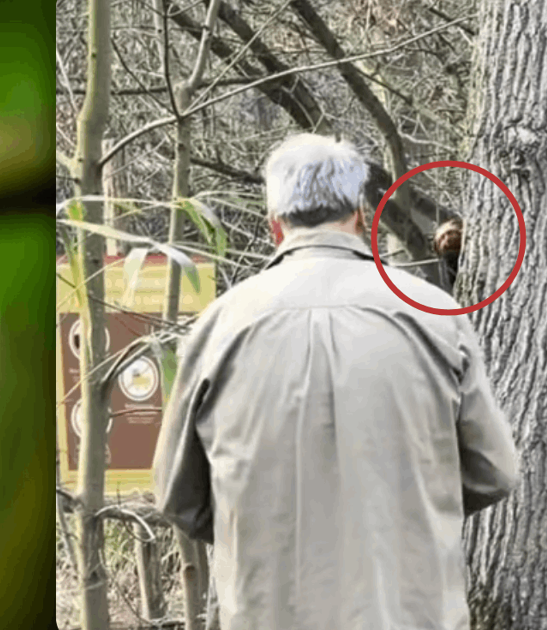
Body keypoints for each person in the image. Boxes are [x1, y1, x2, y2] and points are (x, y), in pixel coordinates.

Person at [152, 133, 520, 630]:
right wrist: (411, 502)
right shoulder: (436, 317)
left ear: (274, 227)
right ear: (361, 216)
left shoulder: (220, 326)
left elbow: (179, 497)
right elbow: (493, 472)